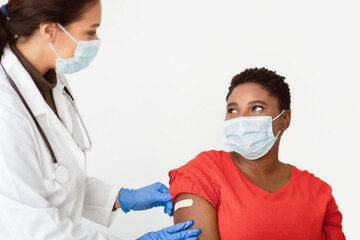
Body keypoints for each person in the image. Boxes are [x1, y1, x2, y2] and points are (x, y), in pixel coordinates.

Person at [0, 1, 200, 239]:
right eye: (90, 31)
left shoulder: (52, 79)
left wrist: (121, 198)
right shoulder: (6, 109)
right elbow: (35, 229)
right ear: (49, 30)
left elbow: (56, 178)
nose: (95, 41)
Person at [168, 68, 346, 239]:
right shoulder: (203, 175)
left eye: (256, 108)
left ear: (284, 119)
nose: (241, 119)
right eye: (232, 110)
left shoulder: (317, 192)